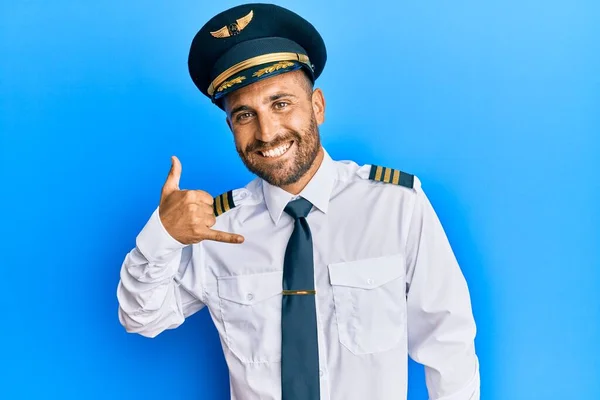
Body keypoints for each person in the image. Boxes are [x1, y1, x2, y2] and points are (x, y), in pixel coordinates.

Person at [116, 3, 480, 399]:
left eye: (281, 103)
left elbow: (448, 342)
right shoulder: (215, 229)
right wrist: (163, 236)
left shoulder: (395, 207)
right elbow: (141, 317)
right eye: (244, 115)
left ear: (317, 106)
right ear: (230, 127)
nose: (267, 132)